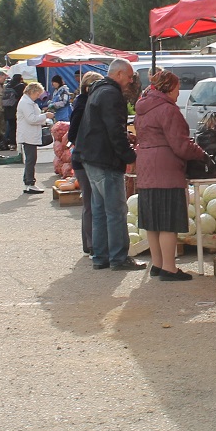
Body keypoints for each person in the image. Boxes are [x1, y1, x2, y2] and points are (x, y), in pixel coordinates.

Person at [133, 70, 208, 280]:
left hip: (146, 166)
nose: (178, 93)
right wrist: (201, 154)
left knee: (153, 221)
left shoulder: (143, 108)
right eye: (177, 88)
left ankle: (157, 264)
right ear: (169, 87)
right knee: (167, 221)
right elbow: (181, 145)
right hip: (165, 168)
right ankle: (169, 268)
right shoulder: (168, 110)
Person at [78, 58, 142, 271]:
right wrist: (129, 156)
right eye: (130, 76)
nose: (131, 81)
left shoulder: (98, 91)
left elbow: (107, 127)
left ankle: (101, 256)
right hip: (105, 160)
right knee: (115, 211)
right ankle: (118, 257)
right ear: (119, 74)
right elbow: (114, 130)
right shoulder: (111, 94)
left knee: (100, 210)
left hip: (92, 158)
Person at [67, 71, 103, 255]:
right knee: (90, 202)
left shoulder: (83, 103)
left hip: (83, 157)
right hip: (84, 158)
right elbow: (72, 133)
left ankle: (90, 243)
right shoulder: (83, 105)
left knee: (90, 202)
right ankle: (91, 244)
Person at [15, 81, 51, 193]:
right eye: (37, 94)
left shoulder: (27, 101)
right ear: (33, 92)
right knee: (31, 159)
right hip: (28, 134)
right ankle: (30, 183)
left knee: (31, 159)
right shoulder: (26, 103)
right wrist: (45, 116)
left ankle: (28, 182)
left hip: (29, 134)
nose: (38, 96)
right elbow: (31, 119)